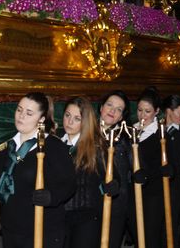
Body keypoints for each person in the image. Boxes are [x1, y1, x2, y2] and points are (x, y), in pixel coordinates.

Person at [0, 92, 75, 247]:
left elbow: (69, 184)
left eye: (29, 113)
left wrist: (51, 196)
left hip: (44, 229)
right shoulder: (9, 144)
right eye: (19, 110)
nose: (21, 116)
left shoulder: (53, 147)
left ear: (41, 119)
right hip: (11, 227)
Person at [61, 97, 118, 248]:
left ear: (85, 121)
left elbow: (114, 175)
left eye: (77, 118)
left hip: (86, 216)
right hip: (59, 214)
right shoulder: (56, 143)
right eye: (67, 115)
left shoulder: (96, 147)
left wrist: (113, 184)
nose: (69, 122)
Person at [129, 86, 170, 248]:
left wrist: (146, 175)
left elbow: (165, 165)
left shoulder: (161, 134)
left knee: (151, 234)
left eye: (147, 111)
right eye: (140, 110)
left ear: (156, 111)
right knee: (136, 232)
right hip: (132, 189)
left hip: (153, 191)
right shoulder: (130, 130)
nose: (142, 115)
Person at [98, 90, 131, 248]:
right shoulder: (85, 131)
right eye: (109, 105)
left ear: (121, 117)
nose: (112, 111)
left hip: (116, 203)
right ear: (101, 108)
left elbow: (138, 166)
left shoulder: (126, 138)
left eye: (118, 109)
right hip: (88, 204)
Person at [162, 94, 180, 247]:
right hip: (159, 182)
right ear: (169, 111)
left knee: (175, 218)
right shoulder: (158, 129)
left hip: (176, 182)